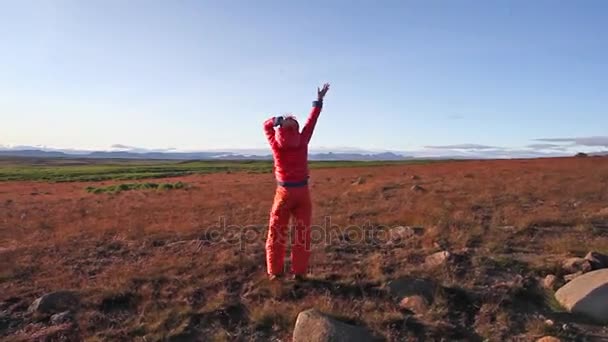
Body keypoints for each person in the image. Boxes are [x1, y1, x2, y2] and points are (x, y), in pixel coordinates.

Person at [262, 83, 330, 281]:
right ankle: (299, 273)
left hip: (283, 193)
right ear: (298, 129)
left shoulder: (276, 144)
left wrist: (275, 120)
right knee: (302, 235)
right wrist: (319, 100)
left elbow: (265, 126)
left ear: (280, 130)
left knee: (276, 233)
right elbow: (312, 120)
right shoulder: (303, 140)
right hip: (302, 193)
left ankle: (275, 273)